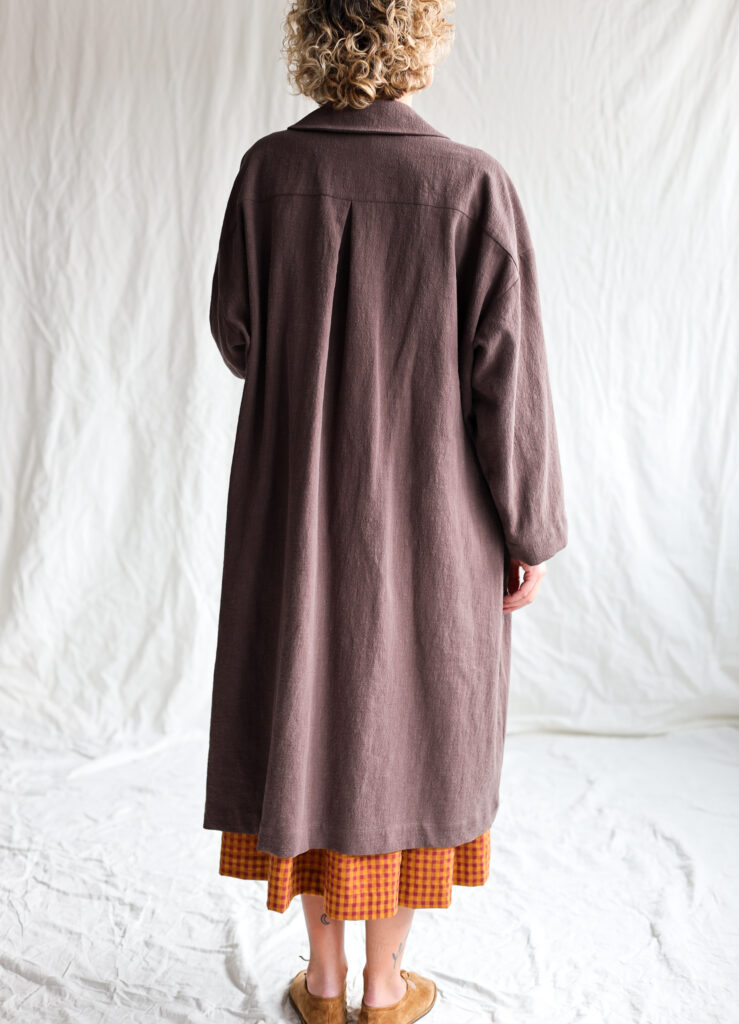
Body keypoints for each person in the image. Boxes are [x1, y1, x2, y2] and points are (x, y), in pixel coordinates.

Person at [202, 1, 568, 1021]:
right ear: (419, 41)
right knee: (413, 730)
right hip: (434, 520)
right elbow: (509, 384)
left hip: (294, 510)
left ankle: (320, 982)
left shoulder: (267, 172)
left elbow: (237, 335)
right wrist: (529, 528)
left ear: (314, 40)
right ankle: (381, 984)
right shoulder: (472, 184)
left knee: (306, 718)